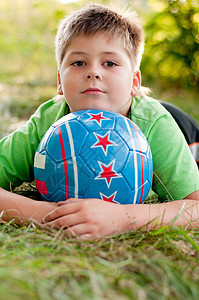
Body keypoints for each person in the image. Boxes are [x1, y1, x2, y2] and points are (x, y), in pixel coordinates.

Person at [0, 3, 198, 240]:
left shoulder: (156, 125)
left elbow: (195, 208)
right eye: (79, 63)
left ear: (135, 81)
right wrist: (51, 216)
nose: (93, 73)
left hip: (189, 137)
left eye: (110, 63)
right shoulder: (47, 122)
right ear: (59, 82)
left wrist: (123, 218)